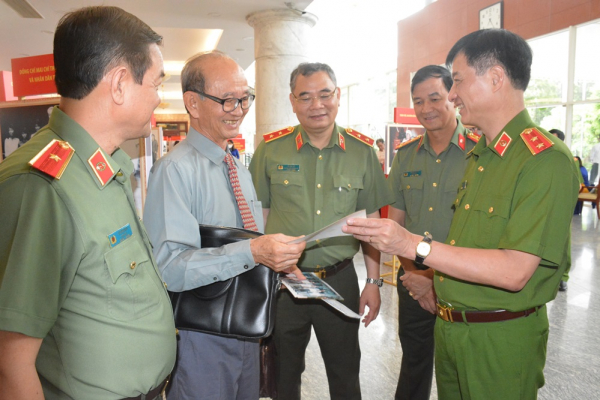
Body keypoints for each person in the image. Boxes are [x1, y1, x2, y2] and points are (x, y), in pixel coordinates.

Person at [343, 29, 579, 399]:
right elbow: (466, 246)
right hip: (453, 326)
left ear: (497, 78)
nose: (453, 95)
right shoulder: (483, 155)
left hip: (497, 337)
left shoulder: (542, 160)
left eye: (459, 81)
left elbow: (515, 271)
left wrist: (411, 244)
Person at [0, 6, 176, 399]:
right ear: (118, 85)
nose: (158, 99)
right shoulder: (42, 187)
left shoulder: (106, 167)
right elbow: (11, 363)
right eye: (155, 84)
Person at [142, 51, 306, 400]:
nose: (240, 108)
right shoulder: (175, 171)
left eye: (245, 97)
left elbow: (246, 241)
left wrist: (276, 266)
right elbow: (169, 268)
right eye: (227, 100)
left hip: (246, 327)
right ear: (193, 103)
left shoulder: (237, 167)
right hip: (203, 334)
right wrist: (253, 250)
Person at [249, 62, 393, 400]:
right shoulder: (271, 151)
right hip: (285, 282)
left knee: (345, 374)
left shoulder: (362, 152)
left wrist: (373, 283)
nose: (317, 105)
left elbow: (371, 222)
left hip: (339, 280)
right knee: (284, 375)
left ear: (337, 96)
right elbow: (258, 218)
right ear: (292, 101)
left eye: (325, 94)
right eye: (306, 97)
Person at [388, 65, 478, 400]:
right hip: (412, 282)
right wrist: (416, 275)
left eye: (435, 98)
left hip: (462, 282)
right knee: (414, 364)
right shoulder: (405, 156)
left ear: (452, 97)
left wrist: (435, 278)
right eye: (418, 101)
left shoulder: (479, 152)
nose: (426, 108)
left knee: (460, 370)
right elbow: (395, 226)